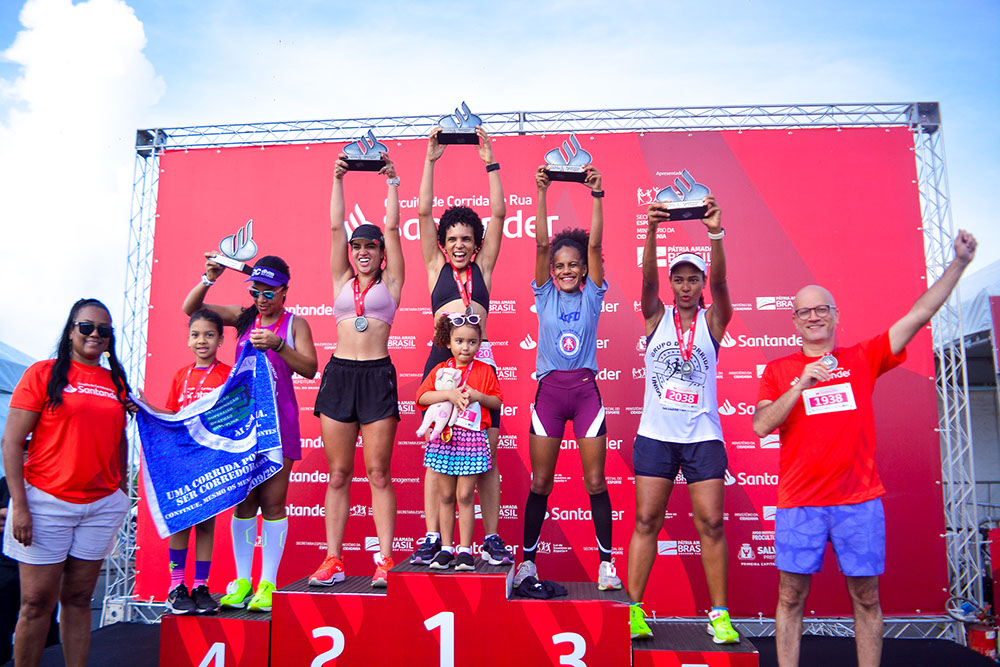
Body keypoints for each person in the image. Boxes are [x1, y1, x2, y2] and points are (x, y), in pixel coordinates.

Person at [752, 231, 978, 667]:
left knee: (867, 597)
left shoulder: (862, 357)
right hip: (800, 503)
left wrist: (959, 264)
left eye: (822, 309)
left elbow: (920, 314)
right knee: (791, 596)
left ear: (835, 315)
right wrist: (801, 384)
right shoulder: (779, 371)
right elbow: (761, 425)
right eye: (805, 311)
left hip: (859, 502)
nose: (814, 317)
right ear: (795, 321)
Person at [628, 197, 741, 644]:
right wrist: (653, 230)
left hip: (703, 437)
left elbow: (724, 281)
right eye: (679, 279)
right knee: (646, 521)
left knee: (711, 524)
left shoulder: (714, 321)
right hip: (656, 436)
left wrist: (715, 233)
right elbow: (646, 280)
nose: (687, 286)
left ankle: (720, 615)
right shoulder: (656, 316)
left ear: (702, 284)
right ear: (671, 283)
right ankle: (634, 610)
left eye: (694, 279)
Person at [183, 254, 318, 612]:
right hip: (243, 427)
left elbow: (310, 368)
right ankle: (243, 581)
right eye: (255, 291)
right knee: (244, 503)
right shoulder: (244, 317)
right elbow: (192, 310)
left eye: (268, 292)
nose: (261, 298)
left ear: (284, 291)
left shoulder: (295, 324)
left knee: (273, 502)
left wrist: (279, 346)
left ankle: (267, 584)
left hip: (280, 424)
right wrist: (209, 277)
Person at [2, 298, 131, 667]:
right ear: (71, 331)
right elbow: (11, 442)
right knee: (35, 603)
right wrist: (19, 506)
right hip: (45, 501)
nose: (95, 334)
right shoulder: (42, 373)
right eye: (86, 327)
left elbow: (119, 438)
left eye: (103, 330)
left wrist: (121, 488)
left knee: (78, 599)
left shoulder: (116, 382)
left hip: (99, 506)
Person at [409, 125, 514, 567]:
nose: (458, 245)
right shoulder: (435, 265)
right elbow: (422, 212)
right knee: (437, 457)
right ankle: (434, 536)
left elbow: (500, 214)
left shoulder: (484, 266)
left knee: (485, 454)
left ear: (476, 244)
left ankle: (490, 538)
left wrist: (490, 163)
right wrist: (430, 161)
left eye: (466, 239)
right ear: (443, 243)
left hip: (480, 361)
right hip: (441, 362)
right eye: (452, 238)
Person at [513, 163, 621, 591]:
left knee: (595, 481)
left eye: (573, 265)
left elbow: (595, 244)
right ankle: (527, 564)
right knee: (541, 482)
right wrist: (541, 191)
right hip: (550, 395)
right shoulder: (545, 295)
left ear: (584, 269)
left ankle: (607, 565)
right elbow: (542, 244)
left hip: (586, 394)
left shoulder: (593, 295)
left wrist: (597, 194)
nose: (565, 271)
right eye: (559, 266)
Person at [309, 153, 403, 589]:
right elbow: (335, 227)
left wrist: (392, 183)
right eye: (358, 247)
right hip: (340, 376)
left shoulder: (392, 284)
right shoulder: (340, 281)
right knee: (338, 474)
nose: (363, 252)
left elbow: (393, 228)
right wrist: (337, 179)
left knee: (379, 473)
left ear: (382, 254)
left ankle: (385, 559)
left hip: (376, 376)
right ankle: (334, 559)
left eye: (371, 247)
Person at [138, 310, 232, 614]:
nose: (202, 340)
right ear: (188, 340)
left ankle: (201, 586)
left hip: (211, 459)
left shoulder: (228, 374)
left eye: (209, 335)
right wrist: (148, 408)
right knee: (181, 520)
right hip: (182, 459)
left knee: (206, 523)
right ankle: (176, 587)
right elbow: (173, 415)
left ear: (220, 339)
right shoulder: (181, 375)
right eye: (195, 335)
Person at [417, 315, 503, 571]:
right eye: (459, 341)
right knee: (445, 495)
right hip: (445, 439)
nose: (465, 347)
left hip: (472, 441)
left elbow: (497, 402)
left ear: (480, 344)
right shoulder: (440, 370)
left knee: (465, 495)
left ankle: (465, 550)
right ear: (449, 342)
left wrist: (478, 396)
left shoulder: (485, 371)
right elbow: (421, 397)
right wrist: (448, 394)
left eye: (472, 342)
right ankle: (446, 549)